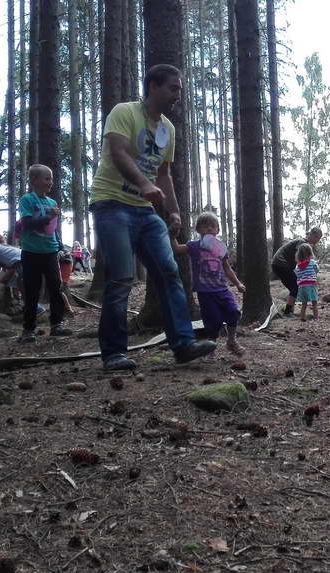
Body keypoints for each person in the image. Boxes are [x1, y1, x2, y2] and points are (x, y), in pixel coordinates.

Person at [89, 63, 214, 370]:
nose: (178, 94)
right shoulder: (124, 112)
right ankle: (114, 353)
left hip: (145, 212)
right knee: (121, 277)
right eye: (173, 88)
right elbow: (118, 152)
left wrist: (174, 210)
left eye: (179, 89)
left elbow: (163, 174)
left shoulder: (168, 129)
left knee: (169, 272)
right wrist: (143, 185)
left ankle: (183, 344)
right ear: (153, 86)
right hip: (111, 204)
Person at [171, 212, 246, 356]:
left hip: (222, 289)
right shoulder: (194, 246)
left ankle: (231, 341)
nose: (210, 229)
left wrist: (237, 283)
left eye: (213, 226)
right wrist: (173, 235)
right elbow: (177, 249)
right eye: (205, 226)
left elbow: (227, 267)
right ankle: (211, 347)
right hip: (205, 293)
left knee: (233, 311)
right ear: (198, 229)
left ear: (218, 230)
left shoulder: (220, 247)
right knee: (213, 320)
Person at [17, 164, 73, 343]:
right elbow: (27, 223)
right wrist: (48, 217)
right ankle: (28, 330)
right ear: (34, 180)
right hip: (31, 252)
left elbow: (53, 229)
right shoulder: (27, 200)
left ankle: (57, 325)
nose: (50, 182)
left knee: (55, 289)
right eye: (47, 178)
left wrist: (60, 246)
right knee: (32, 291)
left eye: (51, 179)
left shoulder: (52, 203)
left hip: (50, 252)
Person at [271, 227, 323, 316]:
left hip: (279, 264)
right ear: (312, 235)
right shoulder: (302, 243)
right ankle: (288, 312)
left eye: (319, 238)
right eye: (317, 237)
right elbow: (299, 258)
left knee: (294, 286)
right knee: (295, 286)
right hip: (281, 263)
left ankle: (290, 310)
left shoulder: (302, 242)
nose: (317, 240)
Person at [294, 243, 319, 321]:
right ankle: (316, 318)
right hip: (312, 284)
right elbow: (317, 269)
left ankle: (302, 317)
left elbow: (296, 273)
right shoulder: (312, 262)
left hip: (302, 286)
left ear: (299, 254)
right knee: (314, 303)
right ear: (310, 252)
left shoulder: (298, 265)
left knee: (304, 304)